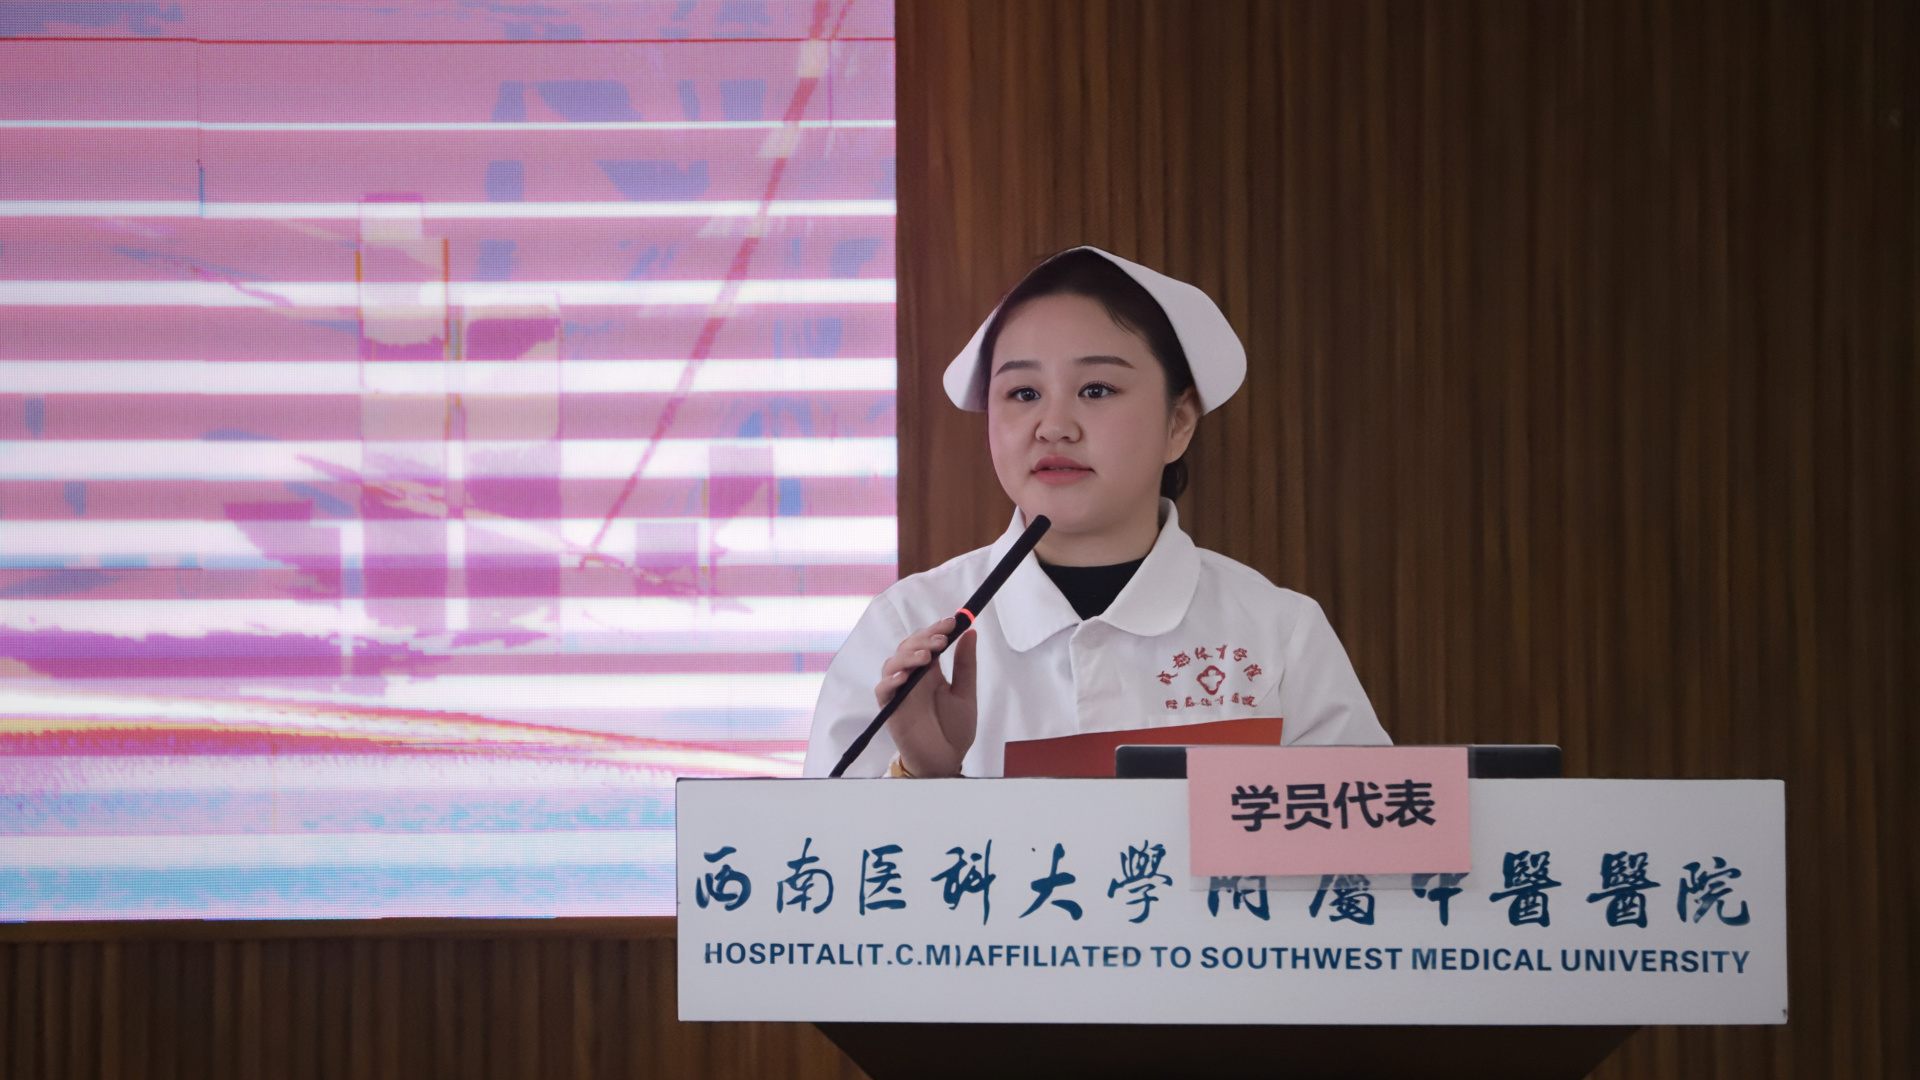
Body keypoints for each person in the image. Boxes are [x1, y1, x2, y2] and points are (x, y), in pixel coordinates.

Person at [802, 247, 1389, 778]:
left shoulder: (1279, 632)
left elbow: (1366, 842)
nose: (1054, 426)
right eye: (1023, 393)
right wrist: (924, 775)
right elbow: (815, 852)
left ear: (1179, 422)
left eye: (1097, 390)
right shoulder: (904, 626)